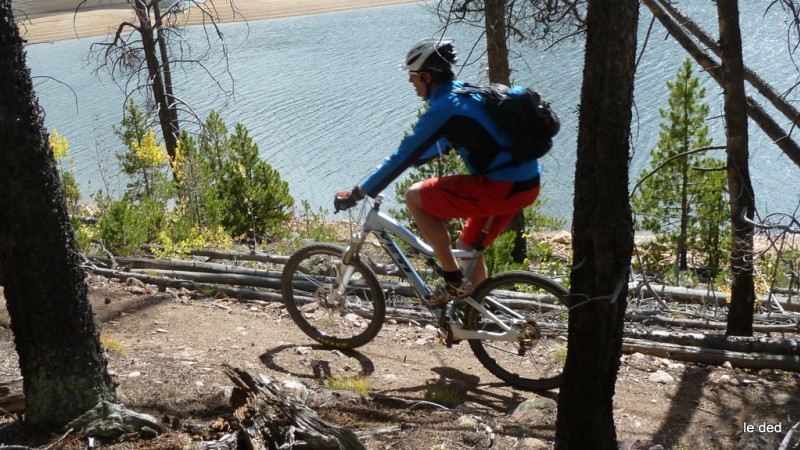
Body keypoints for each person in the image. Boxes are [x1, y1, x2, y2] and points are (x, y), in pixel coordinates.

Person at [334, 37, 542, 307]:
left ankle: (452, 278)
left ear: (428, 76)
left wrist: (358, 192)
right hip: (525, 184)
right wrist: (414, 159)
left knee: (413, 197)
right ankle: (477, 314)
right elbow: (444, 143)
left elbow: (403, 155)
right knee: (467, 248)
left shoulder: (446, 107)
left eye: (414, 76)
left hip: (500, 187)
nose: (411, 81)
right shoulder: (467, 93)